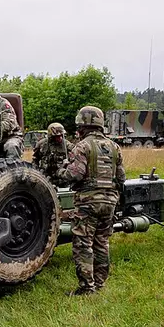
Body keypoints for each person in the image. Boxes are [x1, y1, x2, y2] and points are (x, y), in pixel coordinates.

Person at [57, 106, 125, 295]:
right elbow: (121, 178)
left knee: (83, 244)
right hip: (110, 201)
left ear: (84, 125)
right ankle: (100, 283)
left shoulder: (83, 146)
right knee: (102, 241)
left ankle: (87, 287)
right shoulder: (114, 147)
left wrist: (62, 171)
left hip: (88, 202)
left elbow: (75, 174)